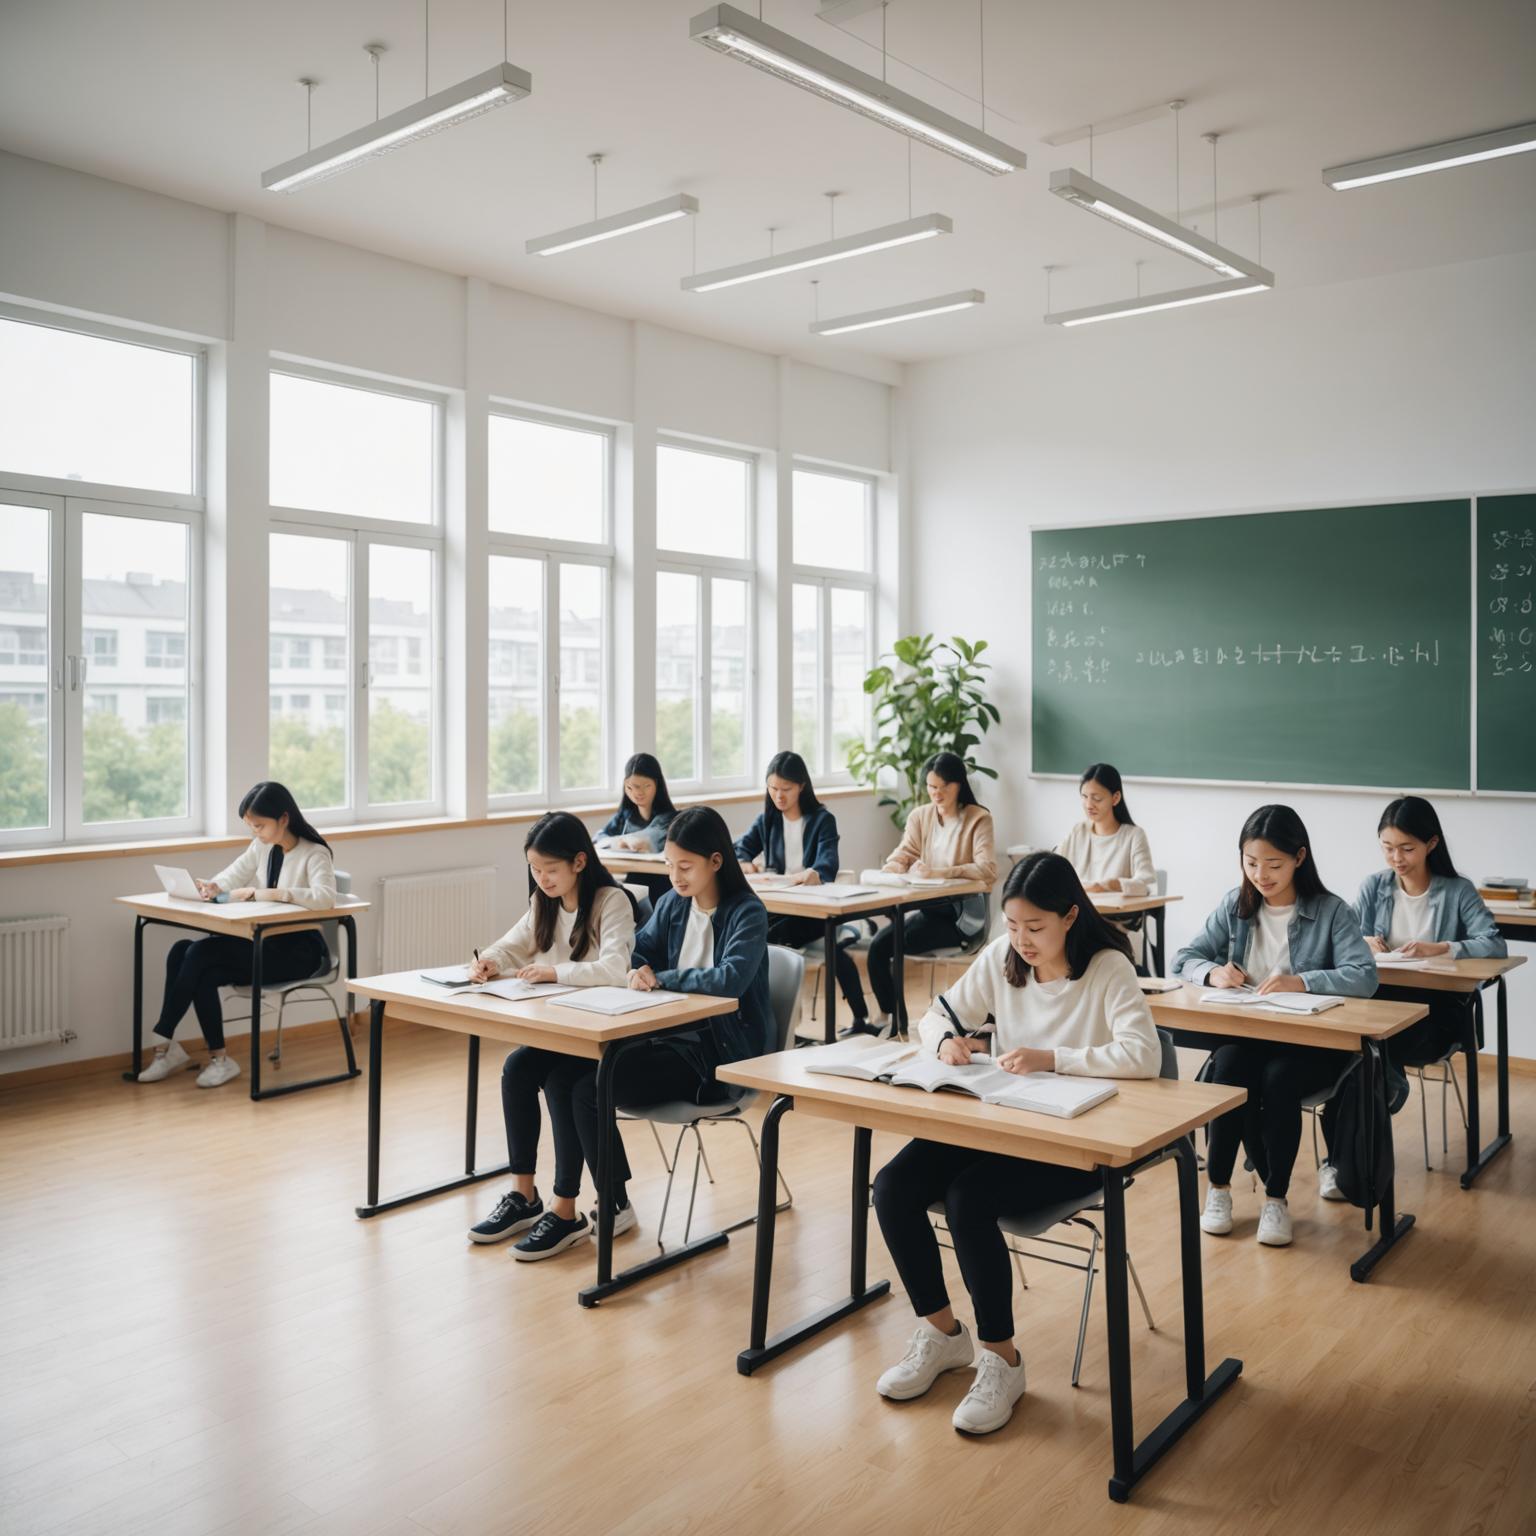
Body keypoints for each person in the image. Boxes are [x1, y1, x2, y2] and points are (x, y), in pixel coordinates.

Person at [871, 852, 1160, 1436]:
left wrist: (1052, 1059)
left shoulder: (1107, 968)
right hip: (1002, 1122)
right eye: (1011, 926)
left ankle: (1001, 1360)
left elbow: (1144, 1055)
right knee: (893, 1186)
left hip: (1077, 1142)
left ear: (1070, 917)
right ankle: (944, 1334)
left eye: (1035, 928)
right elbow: (936, 1015)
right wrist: (947, 1040)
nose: (1021, 941)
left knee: (968, 1200)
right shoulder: (1002, 957)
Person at [495, 807, 770, 1259]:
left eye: (686, 866)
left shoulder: (747, 912)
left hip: (716, 1054)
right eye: (669, 865)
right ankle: (574, 1206)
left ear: (716, 861)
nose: (675, 876)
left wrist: (661, 977)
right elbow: (636, 954)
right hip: (664, 1038)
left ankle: (614, 1202)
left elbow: (730, 979)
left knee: (590, 1086)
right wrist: (639, 970)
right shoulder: (671, 905)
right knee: (564, 1077)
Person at [1173, 804, 1375, 1247]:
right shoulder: (1235, 905)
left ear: (1299, 858)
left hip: (1309, 1044)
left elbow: (1364, 975)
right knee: (1227, 1070)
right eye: (1250, 863)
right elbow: (1184, 957)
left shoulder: (1331, 911)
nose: (1260, 875)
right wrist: (1212, 973)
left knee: (1279, 1079)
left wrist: (1302, 981)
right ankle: (1219, 1190)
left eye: (1273, 864)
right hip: (1250, 1035)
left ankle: (1276, 1200)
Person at [1319, 795, 1509, 1198]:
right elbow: (1345, 942)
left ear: (1431, 844)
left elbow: (1494, 943)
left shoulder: (1457, 891)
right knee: (1351, 1054)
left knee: (1365, 1055)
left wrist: (1442, 947)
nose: (1396, 858)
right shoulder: (1374, 886)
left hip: (1435, 1014)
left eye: (1407, 848)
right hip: (1382, 1001)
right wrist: (1362, 941)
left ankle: (1345, 1157)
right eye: (1388, 848)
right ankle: (1343, 1159)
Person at [467, 813, 638, 1255]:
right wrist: (487, 960)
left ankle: (566, 1209)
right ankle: (525, 1196)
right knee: (518, 1068)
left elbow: (616, 969)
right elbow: (512, 944)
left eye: (550, 869)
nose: (541, 878)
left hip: (604, 1033)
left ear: (579, 862)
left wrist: (553, 972)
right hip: (564, 1026)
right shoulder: (543, 901)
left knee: (564, 1083)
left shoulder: (610, 901)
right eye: (534, 868)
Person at [136, 781, 335, 1090]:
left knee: (199, 955)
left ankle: (163, 1040)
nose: (256, 832)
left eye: (260, 825)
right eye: (251, 826)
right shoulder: (261, 846)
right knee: (183, 951)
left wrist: (264, 893)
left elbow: (324, 898)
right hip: (262, 943)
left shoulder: (314, 853)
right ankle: (219, 1059)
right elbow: (233, 875)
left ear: (284, 818)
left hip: (298, 952)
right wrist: (213, 886)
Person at [735, 750, 868, 1028]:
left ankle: (853, 1017)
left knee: (769, 936)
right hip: (781, 907)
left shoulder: (822, 819)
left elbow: (828, 861)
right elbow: (739, 849)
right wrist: (745, 862)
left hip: (814, 912)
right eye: (773, 789)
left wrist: (814, 873)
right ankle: (760, 1015)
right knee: (748, 929)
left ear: (802, 786)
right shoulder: (767, 821)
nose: (779, 796)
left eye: (786, 789)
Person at [866, 752, 997, 1032]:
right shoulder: (920, 816)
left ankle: (897, 1023)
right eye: (931, 787)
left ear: (959, 785)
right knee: (878, 948)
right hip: (928, 911)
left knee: (893, 945)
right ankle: (892, 1017)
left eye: (943, 787)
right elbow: (905, 851)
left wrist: (941, 872)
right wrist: (892, 868)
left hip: (962, 918)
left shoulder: (978, 818)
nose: (936, 793)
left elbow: (987, 869)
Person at [1054, 763, 1156, 966]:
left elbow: (1146, 882)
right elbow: (1054, 869)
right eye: (1084, 796)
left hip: (1114, 924)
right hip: (1076, 918)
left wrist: (1110, 885)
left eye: (1097, 798)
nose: (1088, 804)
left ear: (1115, 798)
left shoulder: (1133, 835)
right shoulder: (1078, 832)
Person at [595, 752, 677, 903]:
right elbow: (599, 838)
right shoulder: (624, 816)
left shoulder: (669, 819)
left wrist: (633, 841)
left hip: (661, 882)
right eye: (631, 787)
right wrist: (616, 842)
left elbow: (653, 837)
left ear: (657, 785)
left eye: (646, 786)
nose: (638, 793)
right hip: (632, 878)